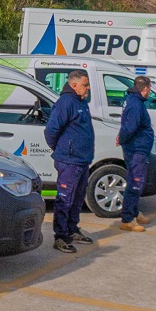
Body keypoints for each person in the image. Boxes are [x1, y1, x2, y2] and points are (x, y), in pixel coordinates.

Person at [45, 69, 96, 253]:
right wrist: (62, 149)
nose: (88, 88)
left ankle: (72, 230)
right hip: (69, 161)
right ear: (74, 85)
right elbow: (51, 131)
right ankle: (60, 237)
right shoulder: (66, 103)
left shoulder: (81, 102)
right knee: (65, 199)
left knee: (77, 199)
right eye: (85, 85)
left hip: (82, 160)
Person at [116, 76, 155, 232]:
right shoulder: (135, 104)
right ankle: (127, 219)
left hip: (138, 148)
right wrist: (123, 139)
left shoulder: (134, 101)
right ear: (145, 89)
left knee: (137, 181)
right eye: (149, 89)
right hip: (136, 149)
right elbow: (129, 127)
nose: (150, 92)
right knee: (135, 182)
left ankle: (134, 212)